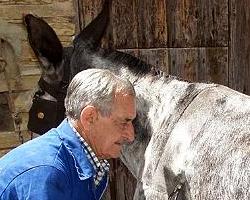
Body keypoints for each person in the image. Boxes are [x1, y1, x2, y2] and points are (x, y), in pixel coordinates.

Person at [0, 69, 136, 200]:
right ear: (90, 117)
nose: (131, 136)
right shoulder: (49, 173)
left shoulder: (84, 164)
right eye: (124, 122)